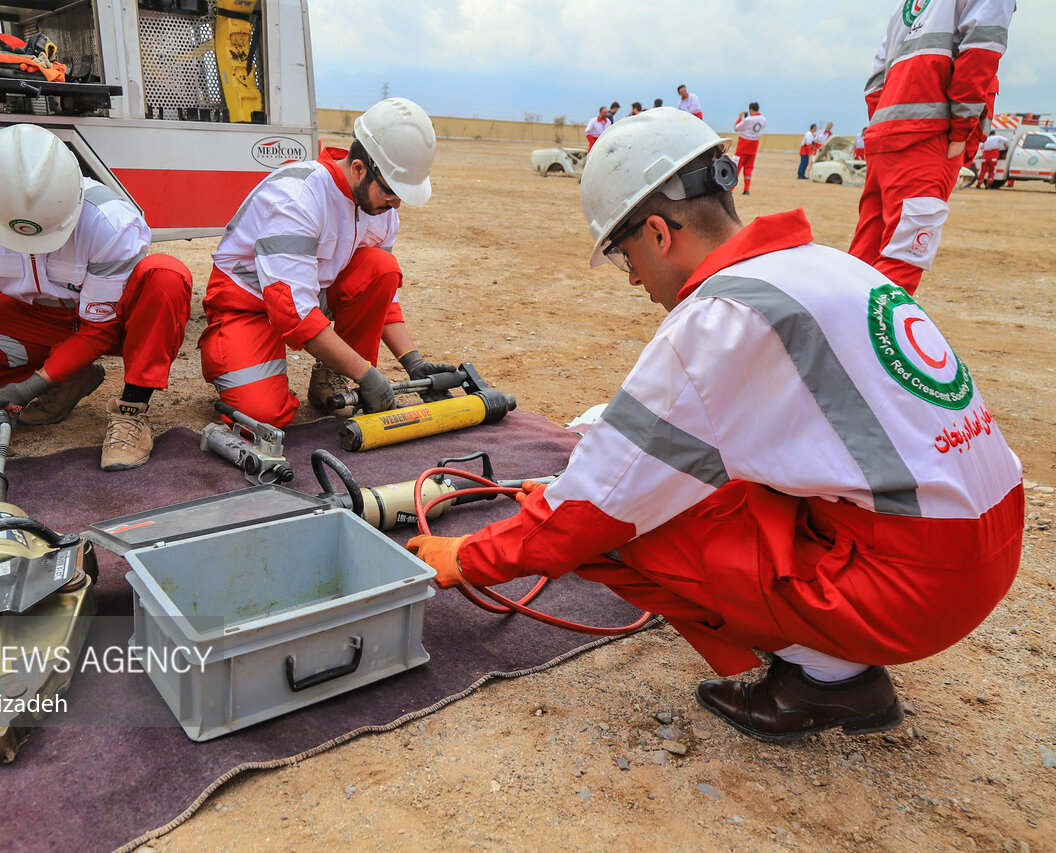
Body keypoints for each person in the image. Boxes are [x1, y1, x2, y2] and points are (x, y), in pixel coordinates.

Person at [406, 108, 1023, 744]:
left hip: (915, 582)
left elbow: (595, 507)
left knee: (614, 534)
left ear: (658, 232)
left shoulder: (721, 316)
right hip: (982, 539)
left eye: (626, 258)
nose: (638, 282)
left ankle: (826, 678)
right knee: (672, 492)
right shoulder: (828, 267)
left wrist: (467, 557)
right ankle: (828, 656)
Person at [0, 124, 193, 471]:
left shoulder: (109, 219)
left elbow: (98, 329)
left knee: (165, 276)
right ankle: (61, 385)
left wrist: (33, 385)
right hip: (33, 319)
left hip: (109, 324)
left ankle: (130, 413)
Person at [199, 97, 453, 427]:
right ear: (360, 169)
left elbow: (381, 293)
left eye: (402, 196)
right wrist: (366, 374)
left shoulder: (379, 209)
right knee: (261, 417)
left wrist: (413, 362)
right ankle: (231, 357)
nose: (396, 205)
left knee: (382, 268)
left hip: (307, 296)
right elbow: (296, 312)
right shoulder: (297, 198)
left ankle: (331, 378)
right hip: (247, 304)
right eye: (391, 192)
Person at [848, 0, 1015, 294]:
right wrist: (961, 132)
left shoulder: (906, 6)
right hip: (931, 135)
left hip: (887, 133)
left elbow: (876, 79)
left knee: (865, 255)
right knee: (903, 259)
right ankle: (865, 337)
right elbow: (980, 52)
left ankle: (834, 333)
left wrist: (881, 127)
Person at [732, 102, 766, 195]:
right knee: (749, 169)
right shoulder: (763, 119)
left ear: (750, 109)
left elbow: (736, 128)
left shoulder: (748, 119)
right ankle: (746, 189)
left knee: (736, 167)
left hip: (743, 146)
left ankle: (731, 189)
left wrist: (740, 118)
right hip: (754, 146)